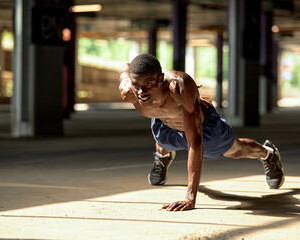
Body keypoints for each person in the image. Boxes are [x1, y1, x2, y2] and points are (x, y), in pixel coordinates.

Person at [118, 54, 284, 211]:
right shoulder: (128, 91)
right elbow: (126, 67)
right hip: (166, 125)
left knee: (237, 150)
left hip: (204, 127)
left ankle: (269, 154)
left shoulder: (179, 87)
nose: (141, 92)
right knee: (163, 137)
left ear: (161, 79)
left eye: (148, 84)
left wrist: (190, 197)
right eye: (137, 86)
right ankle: (163, 156)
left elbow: (195, 141)